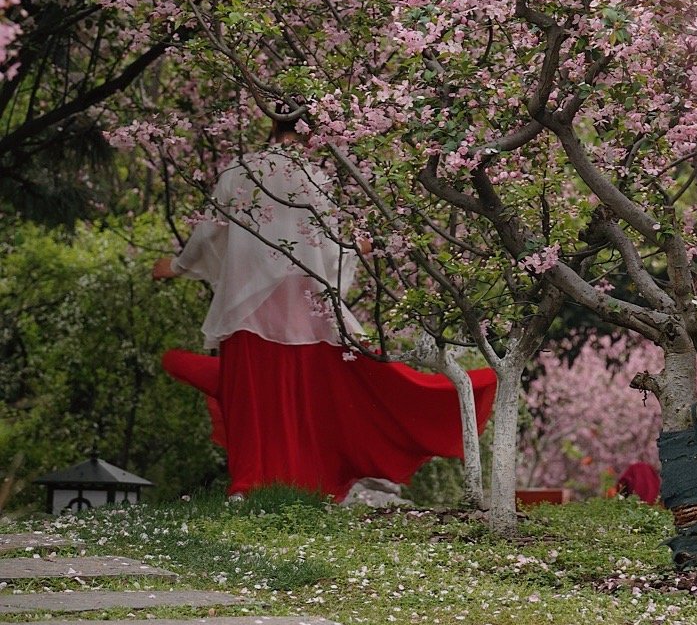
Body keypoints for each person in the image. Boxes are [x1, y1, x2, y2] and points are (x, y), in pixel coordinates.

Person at [154, 116, 496, 499]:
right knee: (312, 400)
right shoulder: (314, 178)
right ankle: (305, 483)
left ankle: (248, 483)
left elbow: (210, 230)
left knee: (255, 400)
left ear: (271, 122)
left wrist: (179, 266)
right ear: (311, 133)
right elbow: (329, 246)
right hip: (305, 305)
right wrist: (357, 248)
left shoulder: (238, 172)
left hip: (248, 308)